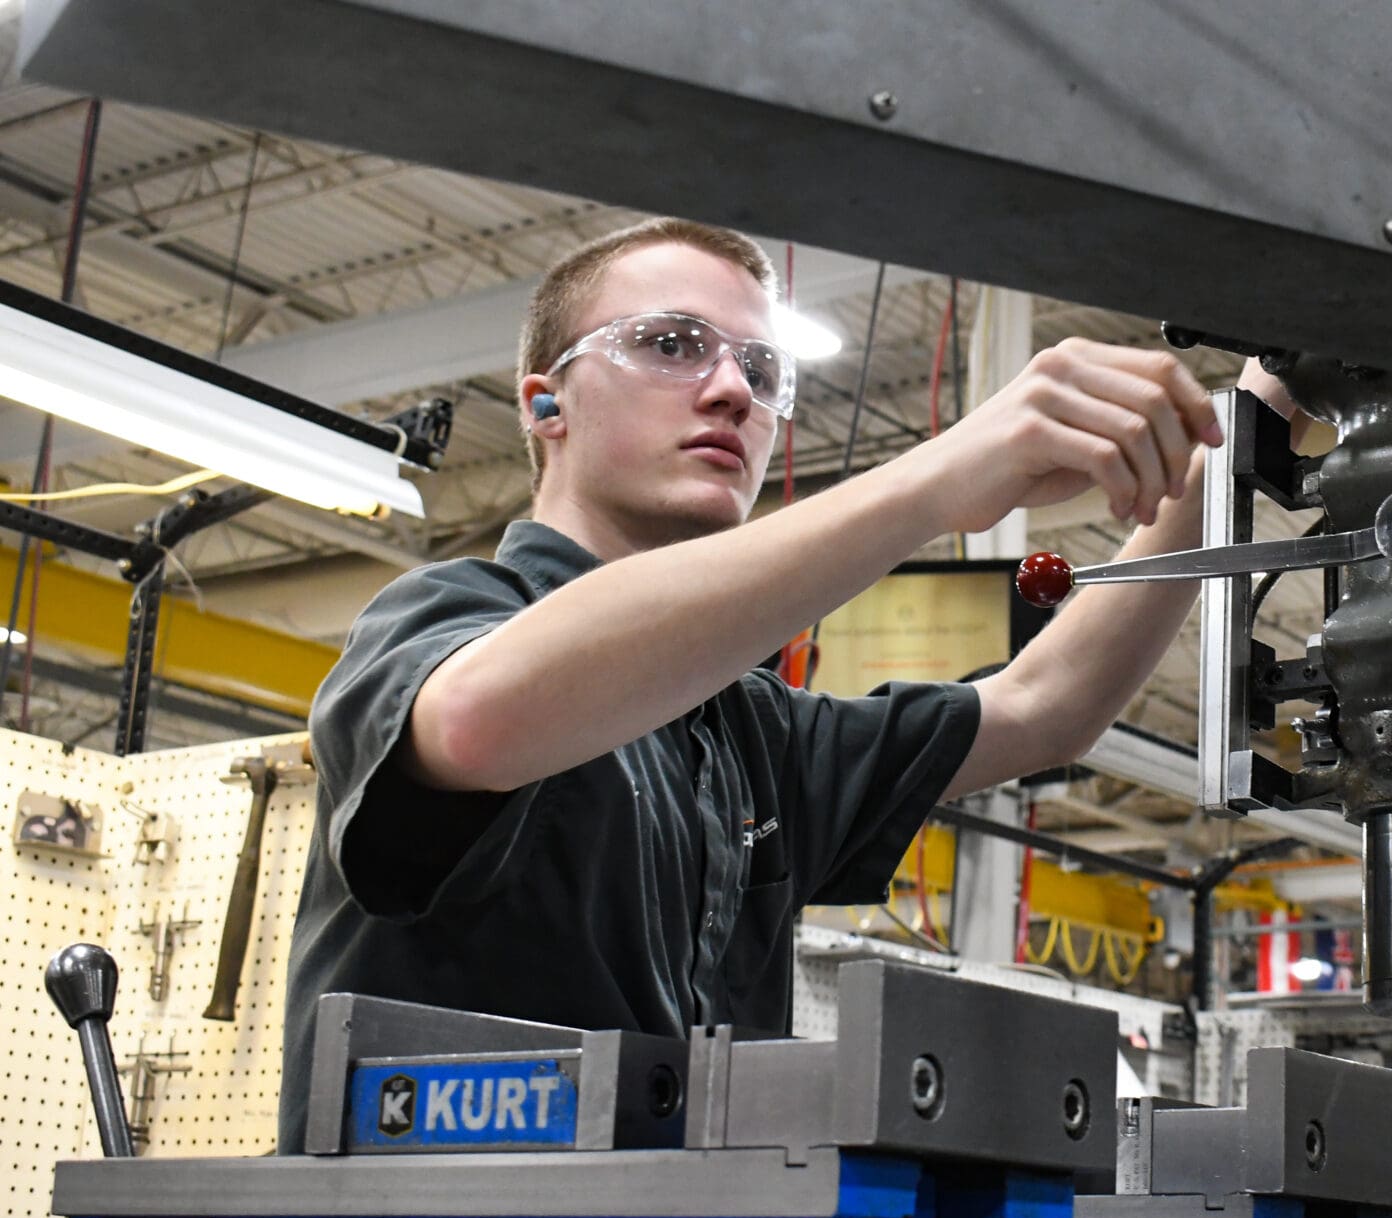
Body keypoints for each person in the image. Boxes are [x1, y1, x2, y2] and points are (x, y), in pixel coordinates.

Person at [277, 217, 1225, 1152]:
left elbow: (1043, 706)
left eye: (761, 372)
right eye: (670, 344)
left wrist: (1222, 448)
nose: (731, 388)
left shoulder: (749, 734)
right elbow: (480, 720)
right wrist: (944, 478)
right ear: (545, 405)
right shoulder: (438, 617)